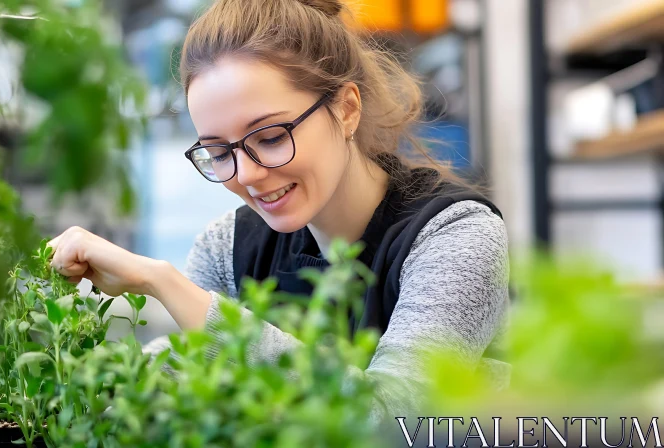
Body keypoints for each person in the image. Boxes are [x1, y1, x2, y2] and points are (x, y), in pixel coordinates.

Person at [48, 0, 510, 421]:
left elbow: (388, 419)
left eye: (269, 137)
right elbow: (186, 377)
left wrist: (165, 284)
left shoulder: (455, 236)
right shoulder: (227, 246)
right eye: (218, 151)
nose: (245, 174)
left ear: (347, 109)